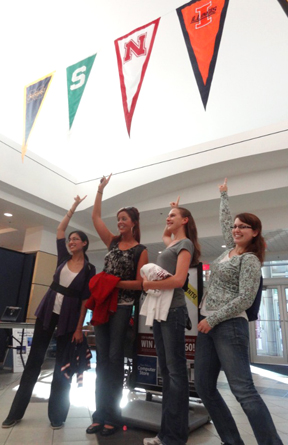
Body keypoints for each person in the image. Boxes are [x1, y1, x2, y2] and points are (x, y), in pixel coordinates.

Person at [194, 178, 283, 445]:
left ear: (255, 231)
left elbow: (245, 298)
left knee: (243, 390)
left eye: (243, 226)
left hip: (228, 325)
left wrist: (212, 318)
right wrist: (224, 196)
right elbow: (225, 224)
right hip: (208, 324)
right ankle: (232, 441)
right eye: (234, 226)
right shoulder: (228, 253)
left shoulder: (250, 259)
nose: (236, 229)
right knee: (204, 387)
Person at [2, 196, 96, 430]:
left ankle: (57, 416)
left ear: (85, 243)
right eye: (71, 239)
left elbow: (85, 300)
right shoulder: (63, 258)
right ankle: (15, 412)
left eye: (76, 239)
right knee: (34, 361)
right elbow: (60, 228)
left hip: (70, 318)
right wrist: (73, 207)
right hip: (48, 311)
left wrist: (78, 328)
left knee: (61, 366)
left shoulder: (90, 268)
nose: (71, 241)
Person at [86, 174, 148, 437]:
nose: (120, 222)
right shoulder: (111, 241)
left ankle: (113, 415)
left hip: (122, 308)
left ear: (134, 223)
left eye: (124, 219)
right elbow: (95, 218)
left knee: (114, 360)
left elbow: (141, 284)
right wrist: (100, 190)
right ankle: (100, 415)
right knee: (102, 362)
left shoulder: (140, 250)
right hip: (102, 306)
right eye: (118, 219)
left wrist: (114, 284)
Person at [142, 197, 201, 445]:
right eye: (168, 215)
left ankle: (175, 436)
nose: (168, 219)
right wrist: (173, 209)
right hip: (161, 312)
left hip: (174, 311)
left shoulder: (185, 243)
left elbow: (178, 281)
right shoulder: (172, 243)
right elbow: (166, 232)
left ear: (185, 220)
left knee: (175, 373)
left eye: (173, 215)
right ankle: (164, 434)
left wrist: (148, 284)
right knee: (166, 372)